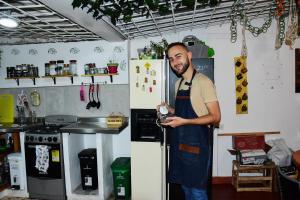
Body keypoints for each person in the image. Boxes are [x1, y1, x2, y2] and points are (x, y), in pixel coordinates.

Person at [158, 42, 221, 200]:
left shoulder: (203, 82)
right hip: (180, 146)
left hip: (197, 147)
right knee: (186, 188)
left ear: (189, 55)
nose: (175, 62)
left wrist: (184, 121)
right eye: (171, 59)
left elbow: (215, 116)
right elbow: (184, 112)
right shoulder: (178, 83)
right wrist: (169, 109)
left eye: (178, 56)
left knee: (197, 192)